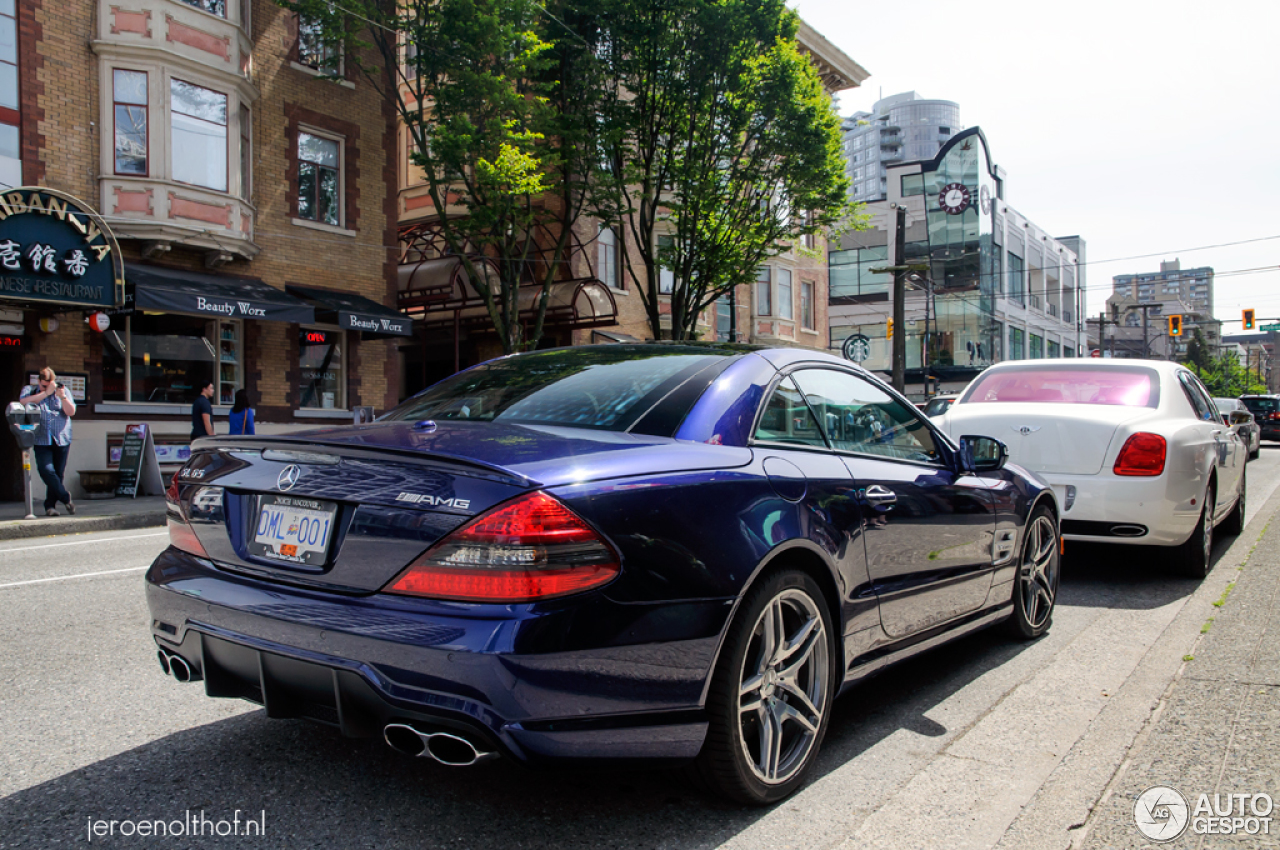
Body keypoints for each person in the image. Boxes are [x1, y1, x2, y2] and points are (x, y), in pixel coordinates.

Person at [18, 367, 76, 516]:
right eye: (44, 385)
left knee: (58, 473)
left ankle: (50, 506)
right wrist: (45, 393)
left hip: (61, 438)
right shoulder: (30, 390)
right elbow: (23, 403)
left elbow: (71, 412)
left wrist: (62, 397)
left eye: (50, 385)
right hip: (41, 438)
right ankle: (65, 497)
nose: (48, 387)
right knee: (46, 470)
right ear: (39, 381)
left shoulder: (63, 391)